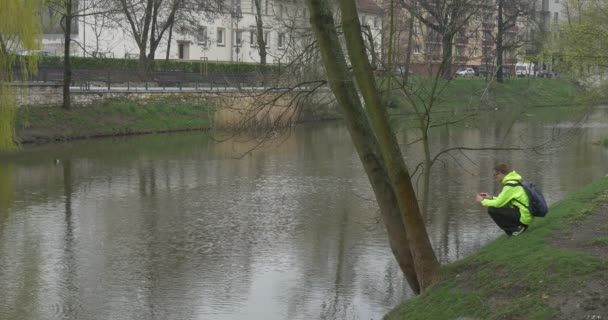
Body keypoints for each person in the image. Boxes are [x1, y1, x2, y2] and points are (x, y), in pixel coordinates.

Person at [475, 163, 532, 236]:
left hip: (524, 217)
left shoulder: (510, 185)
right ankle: (516, 228)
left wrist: (482, 201)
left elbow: (498, 203)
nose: (495, 177)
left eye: (496, 174)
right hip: (525, 213)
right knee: (498, 207)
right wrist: (491, 198)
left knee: (492, 209)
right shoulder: (513, 181)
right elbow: (503, 200)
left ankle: (514, 230)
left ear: (501, 173)